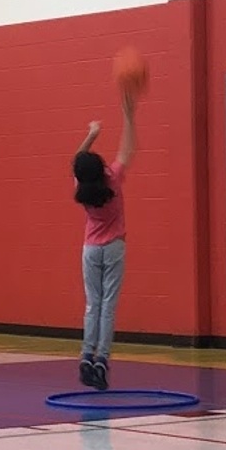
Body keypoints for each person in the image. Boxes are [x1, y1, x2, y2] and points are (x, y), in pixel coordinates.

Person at [72, 90, 137, 391]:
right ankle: (101, 361)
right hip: (114, 247)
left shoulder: (81, 189)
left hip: (90, 249)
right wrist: (128, 116)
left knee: (92, 305)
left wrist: (92, 133)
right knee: (108, 305)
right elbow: (127, 150)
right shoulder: (112, 179)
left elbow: (77, 161)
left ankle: (86, 356)